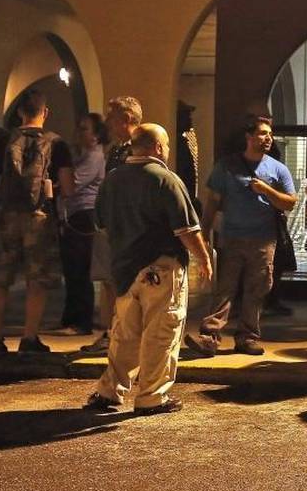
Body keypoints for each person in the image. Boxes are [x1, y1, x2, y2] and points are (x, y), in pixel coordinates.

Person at [83, 124, 212, 415]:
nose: (167, 150)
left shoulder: (112, 180)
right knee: (161, 333)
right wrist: (203, 258)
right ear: (157, 147)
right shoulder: (165, 179)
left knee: (124, 334)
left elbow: (101, 224)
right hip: (162, 268)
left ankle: (110, 391)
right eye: (166, 145)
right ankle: (152, 397)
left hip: (124, 269)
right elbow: (187, 230)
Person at [191, 115, 297, 357]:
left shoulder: (278, 169)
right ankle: (209, 337)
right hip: (232, 238)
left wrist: (266, 190)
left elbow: (290, 202)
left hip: (264, 239)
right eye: (262, 133)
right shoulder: (226, 166)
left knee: (256, 289)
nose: (268, 138)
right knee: (225, 289)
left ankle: (248, 337)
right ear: (249, 137)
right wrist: (204, 233)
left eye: (270, 134)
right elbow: (212, 202)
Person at [0, 88, 75, 354]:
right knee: (38, 280)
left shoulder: (2, 140)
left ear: (20, 112)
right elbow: (69, 188)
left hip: (6, 216)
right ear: (45, 112)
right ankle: (29, 337)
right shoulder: (57, 143)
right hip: (40, 217)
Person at [81, 96, 143, 355]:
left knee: (125, 282)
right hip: (110, 222)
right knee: (109, 280)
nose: (107, 122)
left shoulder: (139, 149)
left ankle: (124, 335)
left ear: (126, 119)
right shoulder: (116, 150)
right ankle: (110, 332)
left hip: (127, 226)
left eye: (112, 117)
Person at [59, 112, 107, 335]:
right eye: (79, 127)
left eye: (85, 128)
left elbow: (72, 183)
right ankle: (70, 317)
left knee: (79, 267)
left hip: (84, 214)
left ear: (96, 135)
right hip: (75, 213)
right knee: (71, 267)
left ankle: (81, 321)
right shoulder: (83, 155)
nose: (79, 132)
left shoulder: (94, 157)